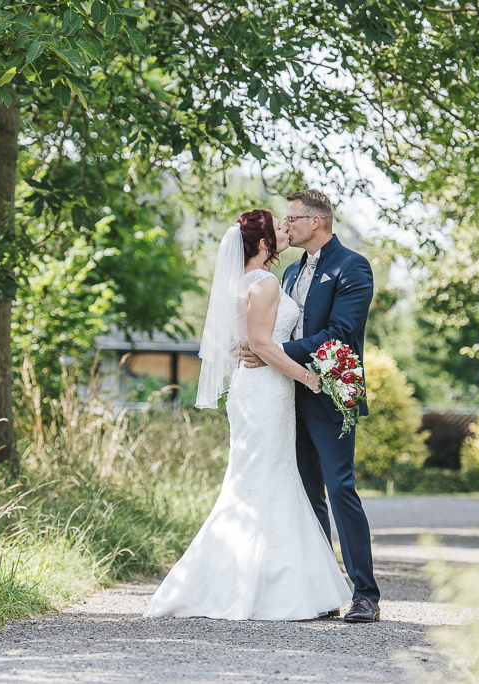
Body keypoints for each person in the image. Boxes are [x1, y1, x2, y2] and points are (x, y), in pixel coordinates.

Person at [142, 208, 352, 620]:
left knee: (261, 480)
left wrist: (261, 354)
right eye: (278, 227)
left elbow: (246, 343)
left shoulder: (243, 283)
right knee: (265, 479)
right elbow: (263, 345)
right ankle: (266, 590)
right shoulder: (268, 281)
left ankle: (261, 582)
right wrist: (310, 379)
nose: (285, 229)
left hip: (255, 388)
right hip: (265, 390)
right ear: (262, 243)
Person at [240, 189, 380, 623]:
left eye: (292, 219)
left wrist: (272, 350)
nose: (286, 226)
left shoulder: (352, 267)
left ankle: (365, 595)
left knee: (340, 488)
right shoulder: (289, 273)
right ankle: (320, 589)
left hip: (329, 391)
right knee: (304, 493)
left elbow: (339, 333)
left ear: (316, 221)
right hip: (285, 395)